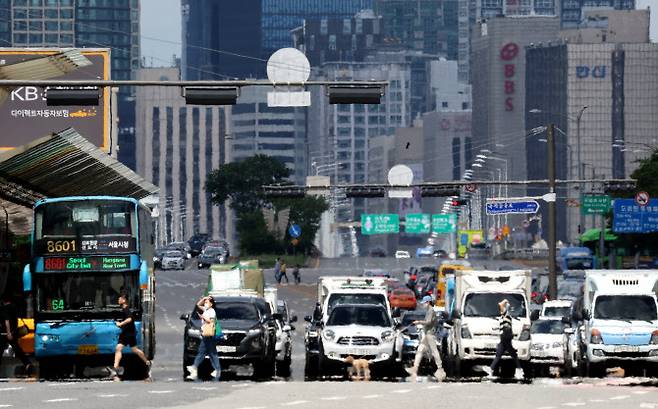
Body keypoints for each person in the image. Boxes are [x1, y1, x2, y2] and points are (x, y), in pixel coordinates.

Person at [405, 295, 446, 382]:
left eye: (424, 303)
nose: (423, 305)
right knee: (420, 349)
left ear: (428, 302)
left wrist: (419, 322)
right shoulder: (429, 311)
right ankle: (415, 369)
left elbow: (428, 322)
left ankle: (440, 370)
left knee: (434, 352)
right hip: (427, 335)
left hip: (430, 335)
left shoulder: (431, 311)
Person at [111, 293, 150, 379]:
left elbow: (129, 319)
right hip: (130, 333)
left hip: (127, 333)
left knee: (119, 348)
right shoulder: (125, 309)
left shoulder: (126, 309)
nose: (118, 300)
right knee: (134, 349)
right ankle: (147, 362)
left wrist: (120, 323)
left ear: (124, 300)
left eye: (119, 299)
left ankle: (115, 368)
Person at [483, 299, 524, 380]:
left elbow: (500, 305)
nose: (500, 310)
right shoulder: (505, 316)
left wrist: (505, 301)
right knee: (500, 353)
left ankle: (519, 370)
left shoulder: (506, 314)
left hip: (506, 336)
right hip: (505, 336)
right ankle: (491, 369)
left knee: (511, 353)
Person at [187, 296, 221, 381]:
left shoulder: (212, 311)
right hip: (205, 333)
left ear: (211, 304)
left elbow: (211, 321)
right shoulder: (206, 310)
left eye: (207, 302)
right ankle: (217, 370)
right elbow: (198, 305)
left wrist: (203, 317)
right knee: (211, 353)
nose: (205, 304)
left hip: (208, 334)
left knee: (203, 352)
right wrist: (204, 298)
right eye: (205, 302)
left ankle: (194, 367)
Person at [0, 294, 32, 373]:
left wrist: (8, 333)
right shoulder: (13, 307)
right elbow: (16, 320)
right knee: (17, 349)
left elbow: (6, 321)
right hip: (14, 332)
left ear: (3, 301)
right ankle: (27, 363)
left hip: (6, 333)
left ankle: (27, 363)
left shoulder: (5, 308)